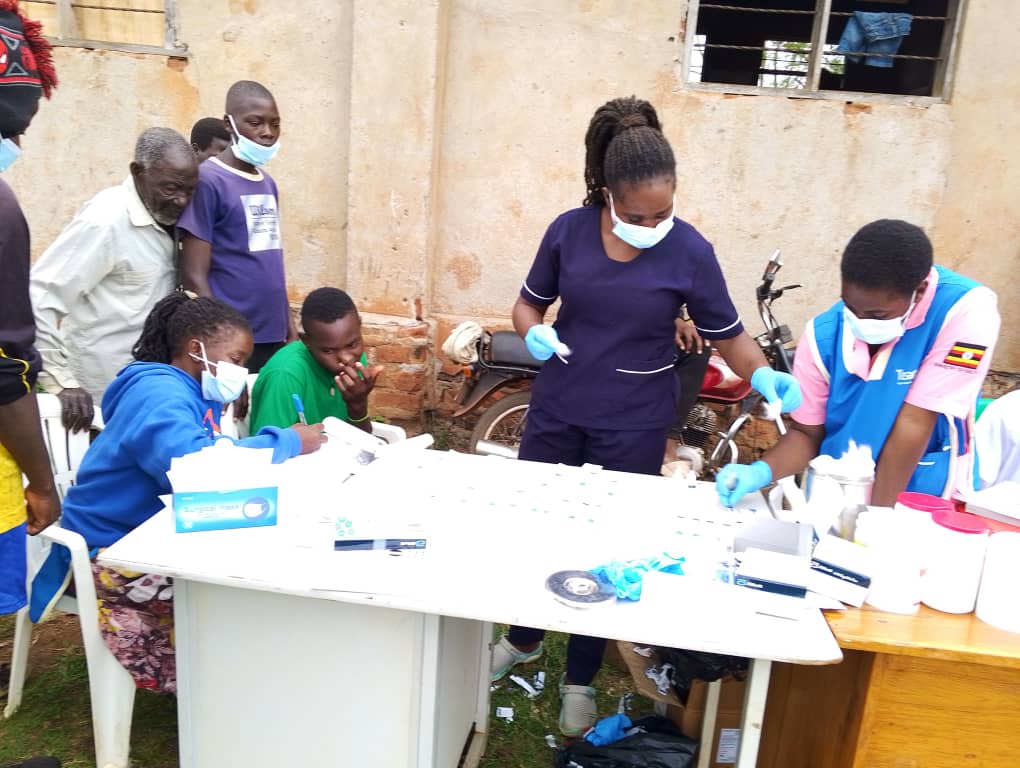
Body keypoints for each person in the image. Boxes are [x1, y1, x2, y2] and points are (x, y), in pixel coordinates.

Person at [492, 96, 801, 736]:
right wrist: (536, 334)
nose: (652, 224)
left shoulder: (689, 250)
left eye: (664, 211)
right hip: (558, 408)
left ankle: (579, 675)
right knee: (538, 527)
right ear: (606, 194)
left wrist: (760, 370)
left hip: (631, 419)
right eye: (637, 215)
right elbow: (526, 308)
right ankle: (522, 639)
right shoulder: (567, 232)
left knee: (603, 546)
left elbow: (728, 333)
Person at [33, 293, 326, 693]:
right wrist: (286, 441)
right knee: (247, 593)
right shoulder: (159, 394)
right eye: (237, 359)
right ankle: (228, 690)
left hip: (150, 530)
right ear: (195, 349)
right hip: (110, 548)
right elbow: (193, 465)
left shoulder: (189, 391)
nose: (240, 371)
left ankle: (252, 679)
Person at [717, 219, 1001, 509]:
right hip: (835, 495)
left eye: (878, 315)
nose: (861, 322)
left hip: (922, 496)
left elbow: (915, 422)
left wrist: (875, 519)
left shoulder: (963, 312)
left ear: (920, 289)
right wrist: (761, 472)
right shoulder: (822, 336)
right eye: (850, 308)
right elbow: (807, 434)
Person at [30, 127, 198, 433]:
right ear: (138, 172)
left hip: (146, 390)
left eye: (190, 190)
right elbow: (40, 296)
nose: (182, 201)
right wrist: (61, 382)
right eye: (171, 188)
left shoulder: (169, 219)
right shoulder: (106, 220)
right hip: (96, 402)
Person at [0, 0, 60, 617]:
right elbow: (4, 368)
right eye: (12, 132)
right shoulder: (1, 210)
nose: (17, 144)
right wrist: (42, 483)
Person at [178, 80, 297, 374]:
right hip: (232, 340)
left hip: (272, 334)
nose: (267, 133)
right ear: (229, 125)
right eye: (255, 123)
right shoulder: (209, 180)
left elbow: (271, 262)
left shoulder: (267, 183)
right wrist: (220, 341)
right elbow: (194, 275)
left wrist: (290, 327)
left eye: (275, 124)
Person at [250, 287, 383, 434]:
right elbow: (265, 450)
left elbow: (361, 440)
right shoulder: (285, 374)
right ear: (307, 341)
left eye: (352, 344)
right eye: (328, 351)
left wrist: (358, 405)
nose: (346, 358)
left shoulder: (356, 362)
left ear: (359, 327)